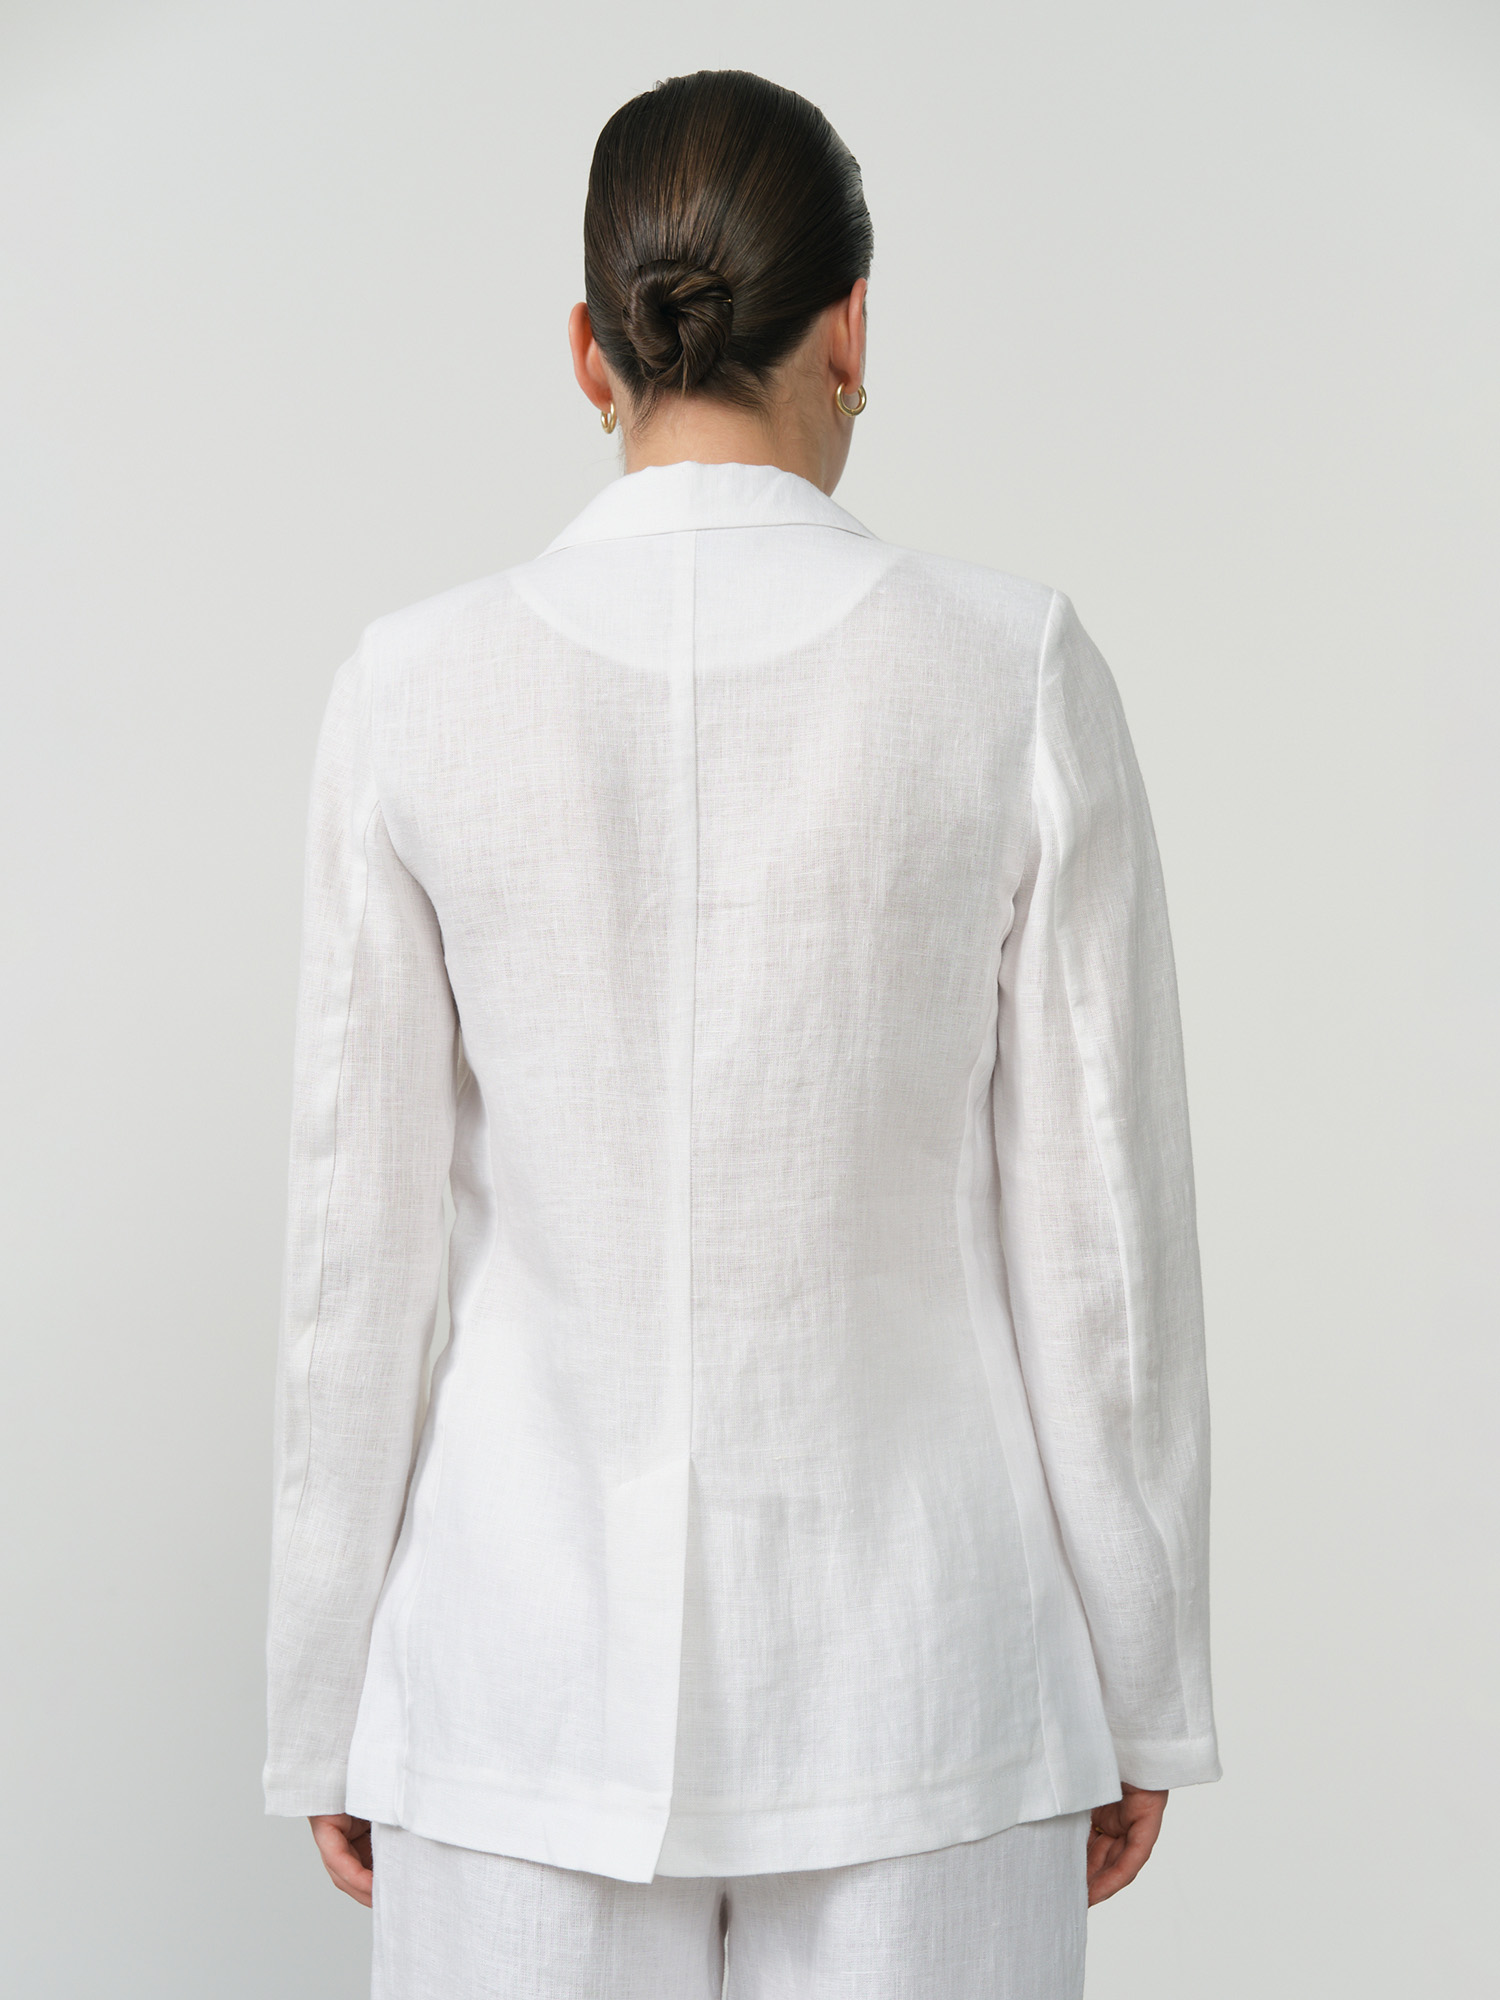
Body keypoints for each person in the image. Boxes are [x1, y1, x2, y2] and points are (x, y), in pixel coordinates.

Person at [263, 68, 1220, 2000]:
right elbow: (1102, 1247)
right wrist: (1144, 1678)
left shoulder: (411, 688)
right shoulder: (1011, 668)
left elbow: (354, 1268)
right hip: (929, 1684)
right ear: (852, 326)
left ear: (588, 349)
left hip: (516, 1690)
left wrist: (319, 1700)